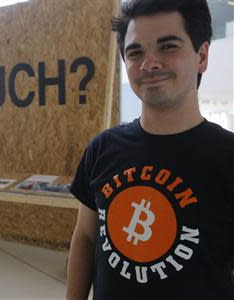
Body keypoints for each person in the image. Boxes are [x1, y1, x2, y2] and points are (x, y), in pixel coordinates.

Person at [66, 0, 234, 299]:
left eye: (168, 46)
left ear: (202, 56)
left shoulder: (227, 156)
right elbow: (86, 237)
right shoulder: (102, 148)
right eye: (135, 52)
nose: (149, 63)